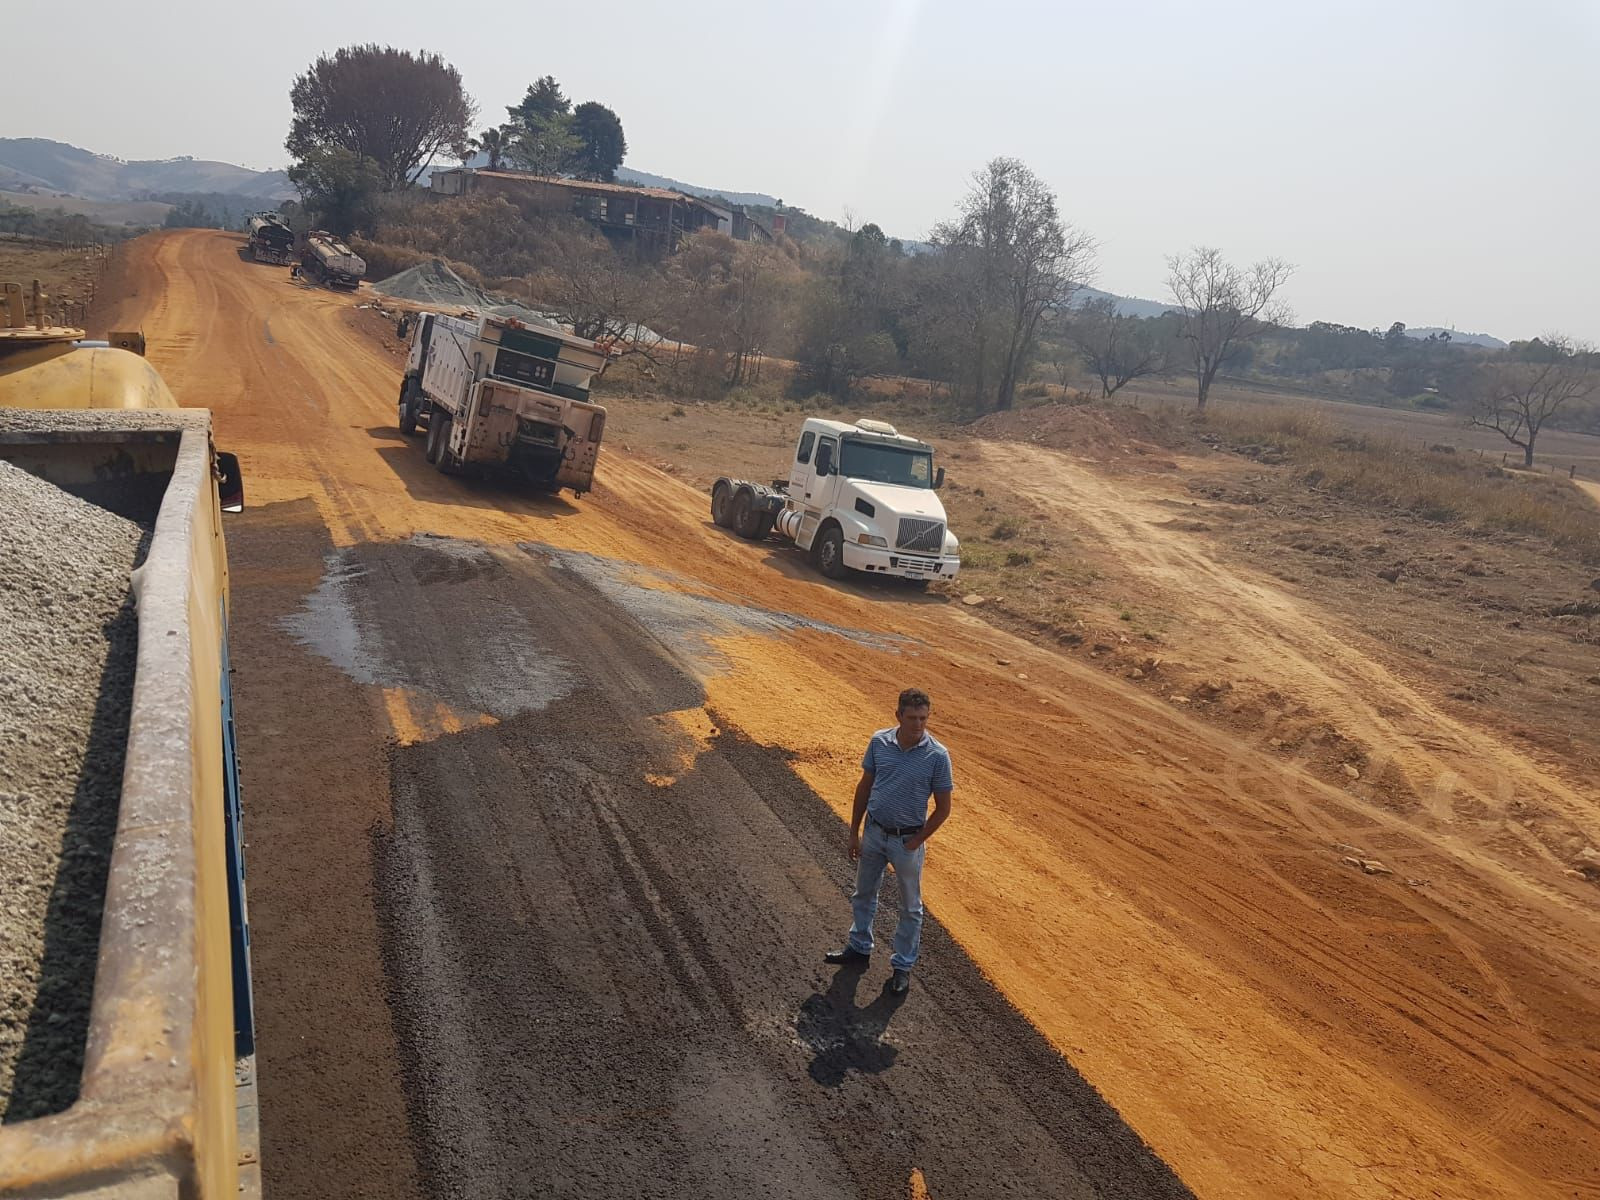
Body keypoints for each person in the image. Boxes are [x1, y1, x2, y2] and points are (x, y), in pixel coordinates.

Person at [824, 688, 954, 994]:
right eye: (912, 718)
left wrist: (916, 842)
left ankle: (902, 967)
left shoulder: (937, 756)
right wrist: (854, 831)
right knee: (863, 893)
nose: (919, 724)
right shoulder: (879, 742)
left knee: (910, 908)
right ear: (898, 716)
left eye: (923, 718)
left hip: (907, 841)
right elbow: (865, 787)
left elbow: (943, 808)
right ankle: (859, 947)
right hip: (874, 832)